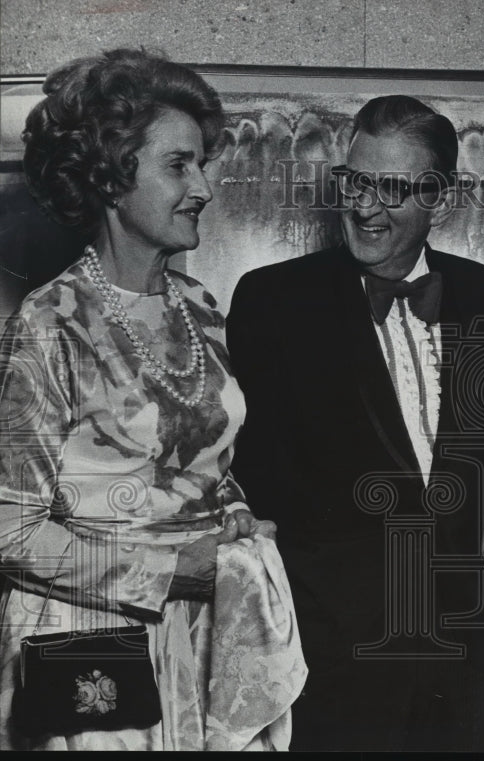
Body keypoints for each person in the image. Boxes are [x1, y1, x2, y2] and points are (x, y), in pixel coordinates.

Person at [0, 48, 306, 751]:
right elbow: (11, 529)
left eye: (202, 164)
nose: (201, 186)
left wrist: (232, 515)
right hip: (86, 636)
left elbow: (203, 460)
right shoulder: (50, 322)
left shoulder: (199, 308)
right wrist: (167, 572)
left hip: (203, 630)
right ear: (110, 176)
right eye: (179, 165)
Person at [227, 94, 484, 751]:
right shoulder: (271, 301)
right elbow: (250, 482)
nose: (363, 206)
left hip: (466, 660)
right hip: (334, 662)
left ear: (440, 199)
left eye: (390, 188)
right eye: (354, 181)